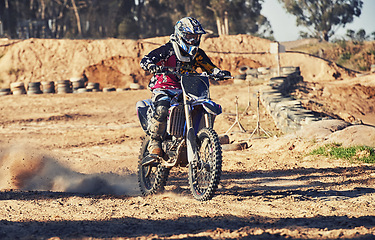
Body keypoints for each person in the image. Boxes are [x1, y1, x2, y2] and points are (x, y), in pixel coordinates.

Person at [140, 17, 231, 157]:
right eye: (189, 36)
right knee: (162, 108)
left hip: (188, 89)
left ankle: (201, 138)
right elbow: (146, 59)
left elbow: (210, 68)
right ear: (180, 34)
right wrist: (151, 65)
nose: (193, 40)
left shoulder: (198, 54)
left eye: (196, 36)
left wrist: (219, 73)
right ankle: (155, 142)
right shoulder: (167, 50)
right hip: (165, 87)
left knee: (205, 105)